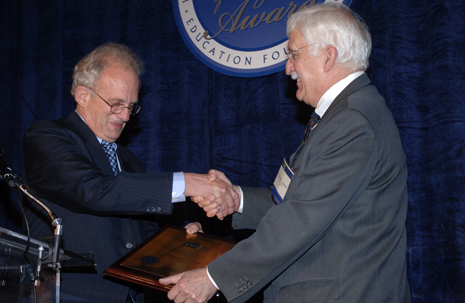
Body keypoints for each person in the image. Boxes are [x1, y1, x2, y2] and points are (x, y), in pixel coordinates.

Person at [160, 3, 411, 303]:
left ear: (328, 56)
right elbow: (298, 200)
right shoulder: (344, 114)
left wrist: (213, 277)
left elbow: (299, 220)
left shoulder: (352, 121)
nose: (288, 68)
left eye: (294, 54)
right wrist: (236, 199)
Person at [22, 43, 238, 302]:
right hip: (68, 293)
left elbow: (139, 234)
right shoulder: (47, 137)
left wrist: (178, 241)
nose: (125, 116)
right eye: (116, 104)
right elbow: (94, 190)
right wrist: (188, 182)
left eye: (131, 106)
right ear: (82, 95)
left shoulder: (129, 161)